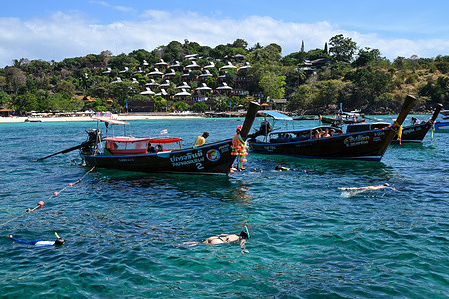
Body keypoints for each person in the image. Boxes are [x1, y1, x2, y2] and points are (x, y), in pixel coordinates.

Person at [182, 227, 251, 252]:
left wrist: (218, 236)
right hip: (219, 241)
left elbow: (222, 234)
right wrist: (244, 249)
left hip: (215, 238)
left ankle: (183, 243)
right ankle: (183, 247)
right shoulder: (242, 239)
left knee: (198, 242)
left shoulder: (235, 234)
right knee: (199, 245)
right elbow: (242, 245)